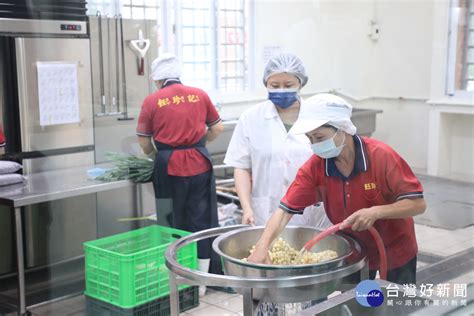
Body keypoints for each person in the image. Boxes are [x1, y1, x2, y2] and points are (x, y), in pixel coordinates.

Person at [247, 93, 426, 285]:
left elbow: (417, 204)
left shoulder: (380, 156)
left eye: (320, 137)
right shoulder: (316, 167)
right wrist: (262, 246)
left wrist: (376, 212)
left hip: (394, 251)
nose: (315, 145)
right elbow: (284, 212)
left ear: (342, 129)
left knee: (396, 307)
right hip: (354, 253)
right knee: (356, 307)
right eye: (310, 138)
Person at [136, 53, 224, 296]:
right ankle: (202, 283)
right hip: (200, 163)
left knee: (171, 221)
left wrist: (158, 156)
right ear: (178, 75)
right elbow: (217, 127)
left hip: (168, 166)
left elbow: (144, 141)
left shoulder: (152, 101)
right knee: (202, 222)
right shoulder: (200, 94)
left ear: (157, 80)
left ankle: (176, 280)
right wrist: (199, 144)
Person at [224, 53, 331, 228]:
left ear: (300, 83)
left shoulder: (318, 116)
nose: (281, 90)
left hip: (311, 210)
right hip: (266, 211)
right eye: (274, 85)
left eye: (288, 85)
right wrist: (246, 208)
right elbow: (241, 167)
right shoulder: (251, 118)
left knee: (310, 253)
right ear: (265, 83)